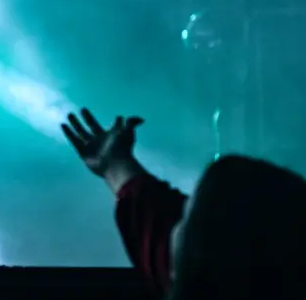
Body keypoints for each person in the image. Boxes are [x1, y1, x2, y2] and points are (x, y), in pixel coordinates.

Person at [62, 108, 306, 299]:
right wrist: (115, 164)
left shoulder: (199, 276)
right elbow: (154, 216)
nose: (174, 226)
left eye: (187, 216)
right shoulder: (241, 273)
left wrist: (114, 164)